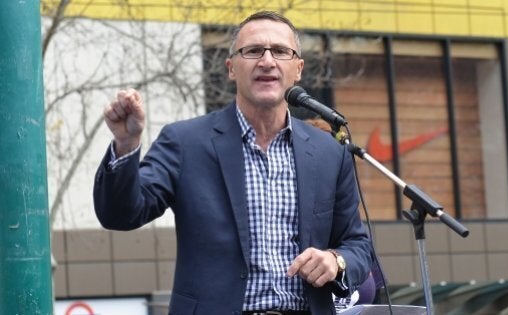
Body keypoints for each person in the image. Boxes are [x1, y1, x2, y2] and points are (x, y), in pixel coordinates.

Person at [93, 11, 372, 315]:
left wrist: (336, 260)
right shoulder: (185, 142)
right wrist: (126, 144)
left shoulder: (328, 152)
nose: (267, 61)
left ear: (298, 69)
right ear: (231, 68)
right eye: (253, 51)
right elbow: (120, 214)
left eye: (280, 51)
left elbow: (357, 244)